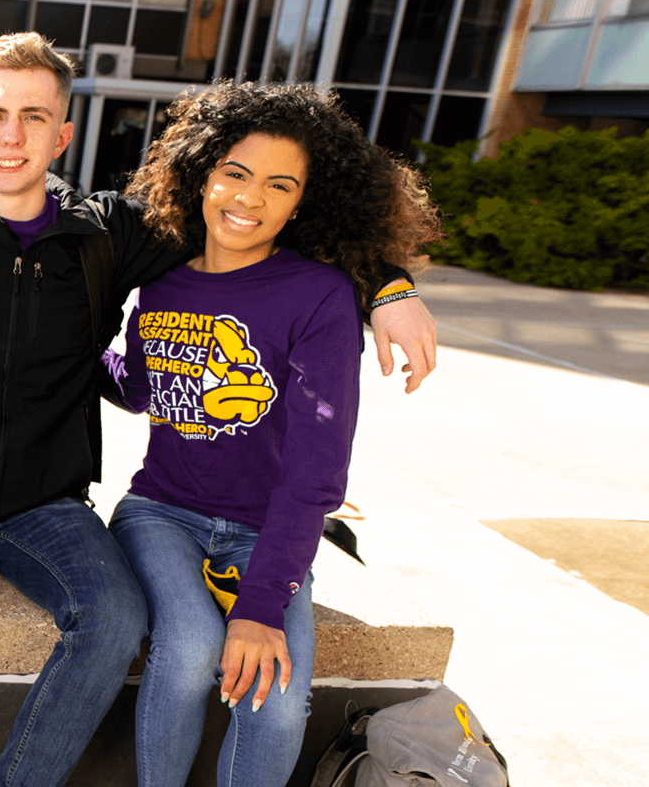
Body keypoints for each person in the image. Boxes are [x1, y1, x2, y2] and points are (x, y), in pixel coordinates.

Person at [0, 32, 439, 787]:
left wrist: (386, 283)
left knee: (117, 619)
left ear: (64, 133)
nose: (12, 135)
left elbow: (245, 226)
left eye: (33, 115)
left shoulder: (109, 231)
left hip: (48, 501)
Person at [104, 83, 439, 787]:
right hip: (158, 513)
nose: (250, 198)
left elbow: (317, 472)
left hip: (266, 529)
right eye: (235, 172)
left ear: (301, 203)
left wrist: (260, 607)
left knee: (278, 697)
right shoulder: (161, 284)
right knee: (191, 644)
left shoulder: (317, 295)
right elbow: (138, 387)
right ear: (202, 173)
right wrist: (60, 341)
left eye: (278, 184)